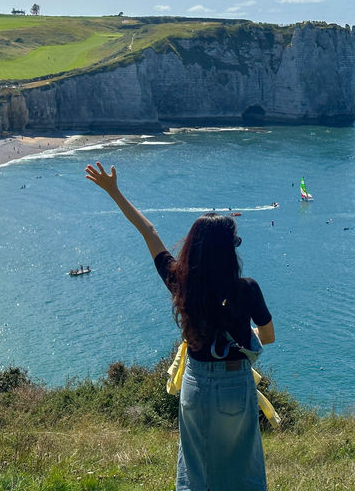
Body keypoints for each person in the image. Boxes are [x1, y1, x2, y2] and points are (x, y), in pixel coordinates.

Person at [86, 161, 275, 491]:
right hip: (236, 384)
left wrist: (114, 191)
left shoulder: (180, 282)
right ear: (230, 251)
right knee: (244, 466)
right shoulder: (247, 288)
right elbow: (268, 337)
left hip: (197, 384)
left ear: (193, 247)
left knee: (196, 467)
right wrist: (245, 337)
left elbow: (149, 232)